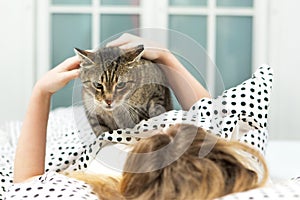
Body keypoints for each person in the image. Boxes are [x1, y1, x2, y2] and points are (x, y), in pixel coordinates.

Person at [6, 34, 272, 199]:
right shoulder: (239, 168)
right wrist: (167, 59)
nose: (171, 122)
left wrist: (41, 93)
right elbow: (213, 116)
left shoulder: (104, 180)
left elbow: (27, 183)